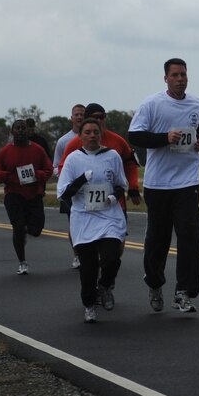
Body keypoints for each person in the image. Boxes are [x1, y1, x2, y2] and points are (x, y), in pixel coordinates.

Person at [128, 58, 199, 313]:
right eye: (175, 75)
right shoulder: (152, 104)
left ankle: (184, 292)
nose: (180, 79)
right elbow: (135, 136)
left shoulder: (197, 103)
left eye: (183, 74)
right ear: (166, 78)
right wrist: (165, 138)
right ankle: (154, 281)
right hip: (158, 183)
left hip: (188, 181)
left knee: (189, 236)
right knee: (158, 239)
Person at [57, 117, 130, 323]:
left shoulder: (112, 156)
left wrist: (114, 197)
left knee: (111, 258)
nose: (92, 136)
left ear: (101, 134)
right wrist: (81, 179)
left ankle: (105, 287)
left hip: (109, 216)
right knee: (88, 269)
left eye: (95, 132)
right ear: (80, 136)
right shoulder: (73, 159)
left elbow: (120, 184)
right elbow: (63, 193)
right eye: (87, 132)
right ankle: (89, 304)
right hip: (83, 219)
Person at [0, 119, 53, 275]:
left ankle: (26, 229)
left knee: (36, 230)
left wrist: (38, 175)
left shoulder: (37, 150)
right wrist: (6, 176)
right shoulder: (5, 151)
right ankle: (22, 262)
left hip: (33, 194)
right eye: (17, 128)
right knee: (18, 228)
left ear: (28, 131)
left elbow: (48, 169)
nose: (20, 131)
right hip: (14, 195)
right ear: (12, 132)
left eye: (23, 128)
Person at [59, 103, 141, 209]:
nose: (99, 120)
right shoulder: (74, 144)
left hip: (114, 205)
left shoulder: (118, 141)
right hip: (83, 205)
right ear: (86, 119)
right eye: (94, 117)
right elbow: (63, 168)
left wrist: (133, 187)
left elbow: (130, 163)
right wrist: (72, 188)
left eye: (101, 117)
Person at [53, 103, 86, 269]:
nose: (79, 117)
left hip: (90, 189)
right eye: (77, 114)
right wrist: (66, 178)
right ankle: (77, 255)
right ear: (71, 118)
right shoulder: (63, 141)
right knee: (74, 223)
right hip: (71, 190)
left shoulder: (94, 136)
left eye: (82, 114)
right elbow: (55, 166)